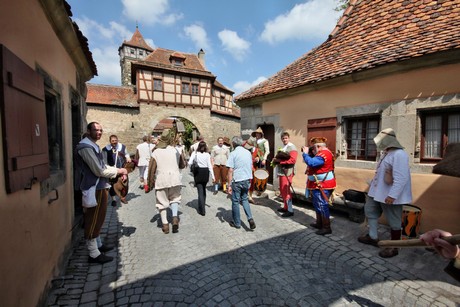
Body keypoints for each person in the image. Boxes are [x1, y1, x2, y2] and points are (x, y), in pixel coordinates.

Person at [74, 122, 128, 264]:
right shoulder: (85, 147)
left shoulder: (93, 145)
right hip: (92, 187)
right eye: (96, 130)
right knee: (92, 220)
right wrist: (118, 170)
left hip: (99, 186)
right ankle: (93, 254)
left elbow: (102, 166)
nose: (99, 132)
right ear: (88, 130)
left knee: (99, 218)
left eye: (100, 130)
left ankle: (98, 245)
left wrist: (117, 170)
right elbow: (99, 170)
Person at [357, 128, 412, 258]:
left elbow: (401, 177)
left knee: (394, 221)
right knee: (370, 211)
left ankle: (394, 247)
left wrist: (393, 195)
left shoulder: (400, 154)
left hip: (389, 194)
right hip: (376, 191)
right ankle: (373, 237)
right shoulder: (386, 153)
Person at [147, 129, 186, 234]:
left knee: (162, 202)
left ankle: (165, 225)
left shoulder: (156, 152)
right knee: (175, 199)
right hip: (175, 179)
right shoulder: (175, 150)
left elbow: (151, 170)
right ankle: (174, 218)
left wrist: (149, 184)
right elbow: (182, 165)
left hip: (161, 179)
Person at [302, 137, 336, 235]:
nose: (313, 150)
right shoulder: (322, 153)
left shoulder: (324, 154)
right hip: (318, 184)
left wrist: (305, 153)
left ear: (318, 146)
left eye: (314, 148)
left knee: (322, 204)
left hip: (323, 184)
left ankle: (326, 227)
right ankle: (319, 223)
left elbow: (312, 163)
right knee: (318, 204)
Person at [226, 136, 256, 230]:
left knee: (235, 201)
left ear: (233, 144)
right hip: (247, 179)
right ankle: (250, 218)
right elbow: (251, 167)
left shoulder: (233, 153)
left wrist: (229, 185)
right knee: (244, 199)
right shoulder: (248, 152)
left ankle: (237, 223)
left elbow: (230, 170)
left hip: (238, 179)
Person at [271, 132, 298, 217]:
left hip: (288, 171)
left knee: (286, 190)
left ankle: (290, 210)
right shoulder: (283, 147)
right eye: (283, 138)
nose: (284, 140)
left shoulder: (292, 147)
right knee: (282, 190)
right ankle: (285, 207)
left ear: (288, 138)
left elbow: (293, 160)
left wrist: (280, 161)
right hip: (282, 171)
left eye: (286, 138)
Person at [102, 134, 132, 206]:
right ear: (110, 141)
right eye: (113, 141)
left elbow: (126, 154)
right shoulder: (105, 149)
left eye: (116, 140)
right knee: (112, 185)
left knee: (125, 184)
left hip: (122, 169)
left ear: (117, 140)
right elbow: (104, 160)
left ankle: (123, 197)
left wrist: (128, 157)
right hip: (112, 170)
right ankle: (113, 199)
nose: (114, 142)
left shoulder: (122, 147)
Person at [188, 141, 215, 216]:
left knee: (200, 190)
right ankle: (203, 205)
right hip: (205, 172)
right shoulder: (207, 154)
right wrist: (213, 176)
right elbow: (209, 166)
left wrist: (192, 169)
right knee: (203, 189)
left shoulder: (195, 153)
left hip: (198, 172)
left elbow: (189, 163)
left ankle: (202, 209)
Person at [249, 127, 270, 202]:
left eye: (258, 133)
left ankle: (260, 189)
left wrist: (264, 159)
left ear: (261, 134)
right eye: (256, 133)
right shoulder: (254, 141)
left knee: (261, 175)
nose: (257, 135)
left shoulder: (265, 141)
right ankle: (252, 192)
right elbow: (252, 149)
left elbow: (267, 151)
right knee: (252, 175)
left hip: (261, 159)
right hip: (254, 160)